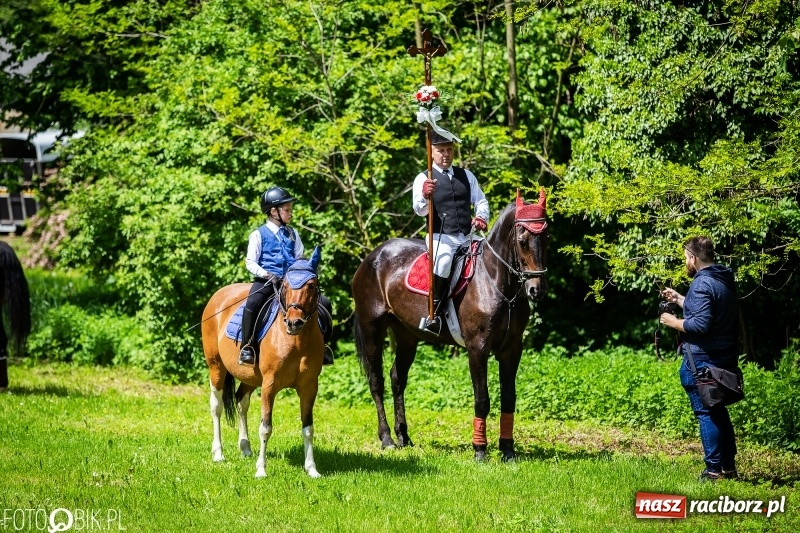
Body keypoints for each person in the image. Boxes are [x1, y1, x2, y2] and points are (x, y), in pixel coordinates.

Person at [660, 236, 739, 481]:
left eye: (686, 258)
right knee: (718, 411)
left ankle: (713, 471)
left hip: (703, 360)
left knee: (707, 413)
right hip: (724, 357)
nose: (686, 262)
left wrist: (673, 322)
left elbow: (701, 324)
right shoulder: (723, 279)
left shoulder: (702, 283)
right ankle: (728, 468)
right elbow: (709, 312)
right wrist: (680, 299)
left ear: (693, 258)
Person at [239, 186, 333, 366]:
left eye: (290, 210)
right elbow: (250, 262)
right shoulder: (258, 234)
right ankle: (247, 347)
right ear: (273, 211)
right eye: (287, 210)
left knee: (325, 303)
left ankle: (324, 347)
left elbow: (299, 258)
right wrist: (267, 274)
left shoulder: (293, 233)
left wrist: (305, 271)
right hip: (267, 281)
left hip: (292, 283)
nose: (291, 213)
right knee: (252, 303)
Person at [412, 131, 490, 333]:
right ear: (431, 152)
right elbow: (419, 211)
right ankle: (435, 314)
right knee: (444, 262)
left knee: (490, 256)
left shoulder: (467, 176)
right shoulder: (423, 178)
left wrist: (481, 217)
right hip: (441, 237)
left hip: (467, 236)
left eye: (449, 150)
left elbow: (481, 201)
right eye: (441, 150)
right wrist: (425, 195)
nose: (446, 154)